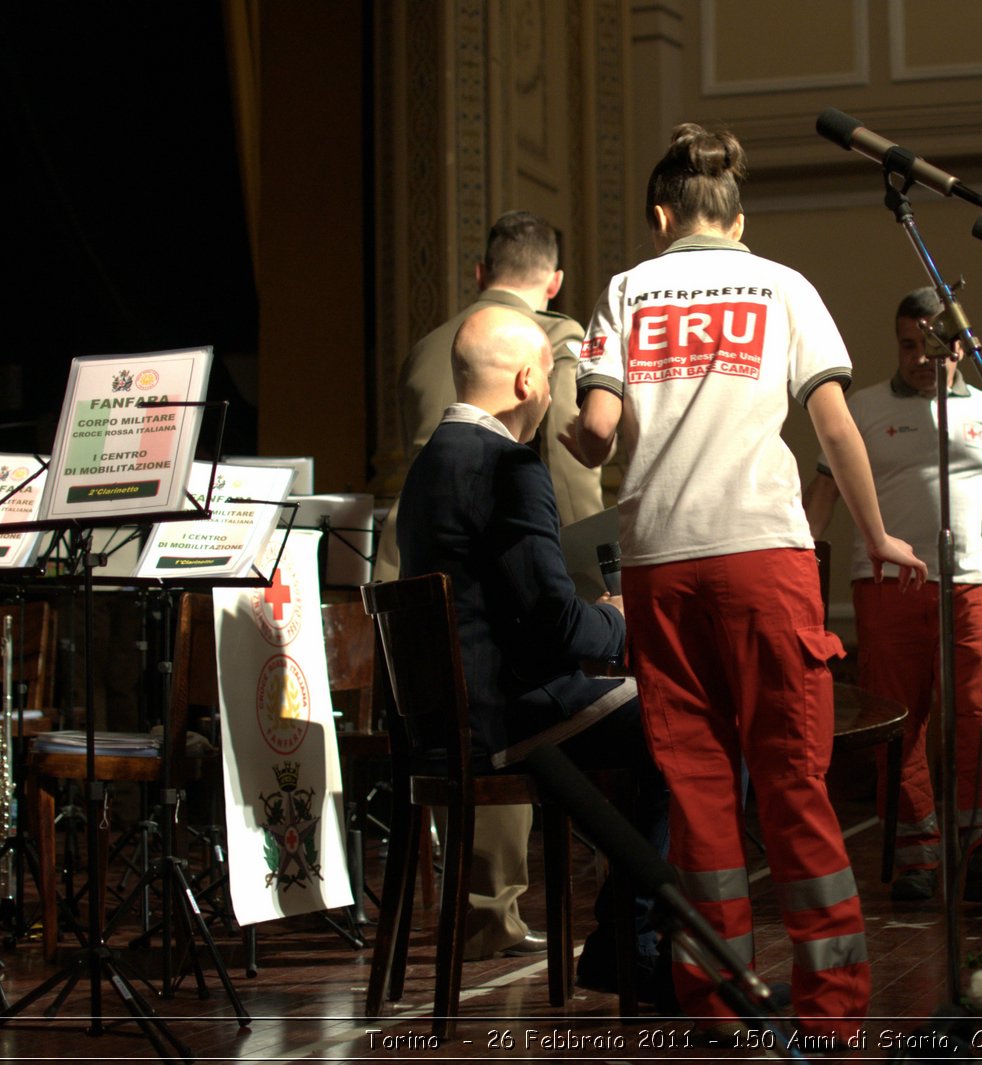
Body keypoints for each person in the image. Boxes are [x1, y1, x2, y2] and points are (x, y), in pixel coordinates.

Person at [560, 123, 926, 1045]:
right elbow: (835, 429)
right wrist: (877, 533)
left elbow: (596, 429)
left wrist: (580, 434)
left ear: (660, 215)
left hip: (658, 566)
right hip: (764, 557)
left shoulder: (626, 289)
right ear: (739, 216)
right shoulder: (784, 285)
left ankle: (718, 1011)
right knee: (794, 781)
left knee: (699, 796)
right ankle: (830, 1017)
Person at [395, 304, 667, 996]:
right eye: (552, 379)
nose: (554, 395)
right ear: (526, 382)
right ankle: (635, 943)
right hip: (508, 713)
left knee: (655, 726)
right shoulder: (510, 465)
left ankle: (621, 935)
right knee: (687, 723)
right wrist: (624, 623)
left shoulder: (427, 465)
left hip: (451, 717)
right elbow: (556, 628)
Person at [378, 210, 601, 960]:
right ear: (555, 281)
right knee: (570, 705)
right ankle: (608, 913)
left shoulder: (425, 349)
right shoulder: (552, 345)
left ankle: (474, 909)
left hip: (410, 575)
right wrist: (594, 591)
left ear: (480, 274)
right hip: (506, 569)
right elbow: (570, 470)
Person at [803, 286, 982, 905]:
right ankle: (916, 853)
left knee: (980, 710)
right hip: (888, 586)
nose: (917, 357)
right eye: (906, 344)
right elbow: (825, 493)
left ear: (961, 345)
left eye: (931, 344)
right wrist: (801, 558)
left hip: (967, 583)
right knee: (898, 716)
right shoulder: (862, 408)